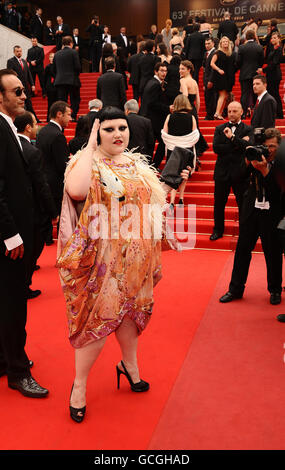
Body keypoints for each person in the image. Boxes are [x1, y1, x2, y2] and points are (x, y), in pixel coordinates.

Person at [56, 106, 190, 422]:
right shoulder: (85, 162)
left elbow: (149, 203)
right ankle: (79, 386)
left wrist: (172, 185)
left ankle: (129, 366)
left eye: (122, 128)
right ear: (96, 132)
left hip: (136, 259)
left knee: (132, 316)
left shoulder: (134, 163)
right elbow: (76, 190)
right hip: (102, 262)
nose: (118, 134)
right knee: (97, 323)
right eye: (109, 129)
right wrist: (89, 146)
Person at [0, 68, 48, 398]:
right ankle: (18, 369)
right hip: (10, 238)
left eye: (23, 90)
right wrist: (11, 234)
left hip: (13, 232)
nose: (23, 95)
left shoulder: (7, 128)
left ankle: (6, 360)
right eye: (16, 91)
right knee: (14, 303)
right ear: (0, 96)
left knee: (7, 301)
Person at [219, 128, 283, 305]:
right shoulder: (254, 155)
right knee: (242, 250)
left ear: (279, 146)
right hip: (251, 209)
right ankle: (235, 289)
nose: (268, 150)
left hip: (272, 212)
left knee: (273, 252)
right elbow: (237, 177)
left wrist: (264, 171)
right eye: (265, 146)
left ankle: (275, 290)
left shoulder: (281, 163)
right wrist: (248, 162)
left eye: (272, 146)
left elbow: (277, 190)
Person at [14, 111, 58, 298]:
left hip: (15, 207)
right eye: (35, 123)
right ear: (28, 127)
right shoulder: (31, 151)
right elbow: (41, 185)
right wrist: (52, 211)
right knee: (32, 249)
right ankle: (23, 285)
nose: (38, 126)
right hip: (33, 211)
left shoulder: (13, 146)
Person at [210, 101, 253, 241]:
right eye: (229, 111)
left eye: (235, 111)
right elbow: (217, 148)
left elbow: (248, 146)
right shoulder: (219, 128)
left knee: (243, 205)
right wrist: (237, 144)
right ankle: (218, 230)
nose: (232, 114)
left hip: (241, 173)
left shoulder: (248, 129)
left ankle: (245, 232)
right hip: (222, 172)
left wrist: (232, 138)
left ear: (241, 112)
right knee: (219, 204)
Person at [36, 100, 72, 244]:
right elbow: (61, 164)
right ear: (59, 114)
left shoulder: (43, 131)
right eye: (68, 114)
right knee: (57, 211)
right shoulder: (57, 135)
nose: (71, 118)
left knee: (45, 211)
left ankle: (47, 238)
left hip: (43, 177)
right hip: (55, 181)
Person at [162, 94, 199, 208]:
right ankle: (181, 198)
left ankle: (172, 201)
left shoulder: (169, 117)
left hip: (173, 151)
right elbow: (195, 135)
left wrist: (174, 142)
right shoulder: (191, 117)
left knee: (173, 175)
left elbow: (164, 134)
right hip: (186, 151)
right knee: (184, 175)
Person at [140, 61, 172, 169]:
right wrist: (168, 108)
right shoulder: (155, 84)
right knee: (162, 142)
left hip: (150, 119)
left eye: (165, 71)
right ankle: (153, 166)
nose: (164, 73)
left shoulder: (152, 82)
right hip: (153, 120)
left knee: (151, 144)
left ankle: (151, 166)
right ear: (156, 71)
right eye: (162, 71)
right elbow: (153, 103)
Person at [179, 59, 208, 158]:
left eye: (182, 69)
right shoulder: (194, 81)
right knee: (195, 130)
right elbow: (198, 99)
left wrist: (182, 109)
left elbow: (185, 95)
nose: (180, 71)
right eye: (180, 69)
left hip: (186, 109)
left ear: (189, 70)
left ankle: (192, 152)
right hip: (193, 109)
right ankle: (198, 150)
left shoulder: (182, 80)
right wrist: (197, 111)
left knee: (188, 132)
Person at [6, 45, 40, 122]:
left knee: (29, 104)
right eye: (17, 51)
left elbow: (29, 74)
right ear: (14, 52)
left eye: (20, 51)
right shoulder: (11, 61)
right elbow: (10, 75)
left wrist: (32, 84)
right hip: (17, 88)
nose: (19, 53)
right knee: (21, 106)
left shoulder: (24, 61)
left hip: (26, 88)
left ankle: (35, 119)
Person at [236, 30, 264, 118]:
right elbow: (262, 61)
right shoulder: (259, 47)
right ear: (254, 37)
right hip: (255, 74)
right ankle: (256, 112)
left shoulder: (241, 48)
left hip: (244, 74)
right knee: (256, 93)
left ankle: (243, 113)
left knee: (244, 94)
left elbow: (238, 62)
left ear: (246, 37)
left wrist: (241, 68)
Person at [53, 36, 81, 122]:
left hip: (60, 81)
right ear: (71, 43)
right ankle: (73, 116)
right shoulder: (74, 52)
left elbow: (54, 69)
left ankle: (62, 117)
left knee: (62, 101)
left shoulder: (57, 54)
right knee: (75, 99)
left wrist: (58, 76)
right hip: (72, 80)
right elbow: (78, 67)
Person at [211, 36, 236, 120]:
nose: (225, 43)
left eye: (226, 42)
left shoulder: (229, 53)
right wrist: (219, 70)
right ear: (220, 44)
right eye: (224, 42)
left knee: (225, 96)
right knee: (222, 95)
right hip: (220, 76)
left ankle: (219, 114)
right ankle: (217, 113)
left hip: (226, 77)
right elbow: (212, 63)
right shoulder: (218, 52)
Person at [263, 32, 284, 119]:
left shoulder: (278, 49)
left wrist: (263, 70)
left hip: (274, 75)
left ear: (279, 39)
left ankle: (279, 114)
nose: (273, 39)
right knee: (272, 94)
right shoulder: (273, 48)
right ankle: (275, 113)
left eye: (275, 38)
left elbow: (274, 63)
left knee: (275, 94)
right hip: (271, 75)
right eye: (272, 38)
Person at [202, 37, 217, 121]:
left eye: (209, 43)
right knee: (207, 98)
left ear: (213, 43)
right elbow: (205, 69)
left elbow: (213, 69)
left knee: (211, 99)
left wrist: (211, 80)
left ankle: (211, 115)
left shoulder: (215, 53)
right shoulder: (206, 54)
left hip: (212, 80)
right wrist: (204, 82)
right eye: (206, 44)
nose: (207, 45)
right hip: (207, 79)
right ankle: (209, 115)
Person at [44, 52, 57, 122]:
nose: (52, 58)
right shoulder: (47, 67)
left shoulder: (58, 67)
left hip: (56, 87)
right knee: (50, 104)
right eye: (51, 57)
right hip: (50, 87)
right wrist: (45, 89)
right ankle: (49, 118)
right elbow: (44, 78)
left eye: (53, 57)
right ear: (49, 58)